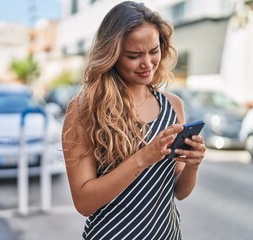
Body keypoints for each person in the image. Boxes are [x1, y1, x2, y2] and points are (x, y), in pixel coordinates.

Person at [61, 1, 206, 239]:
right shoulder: (83, 109)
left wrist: (193, 164)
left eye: (154, 51)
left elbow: (180, 192)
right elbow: (84, 202)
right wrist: (143, 158)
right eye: (134, 55)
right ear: (112, 55)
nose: (147, 64)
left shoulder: (173, 105)